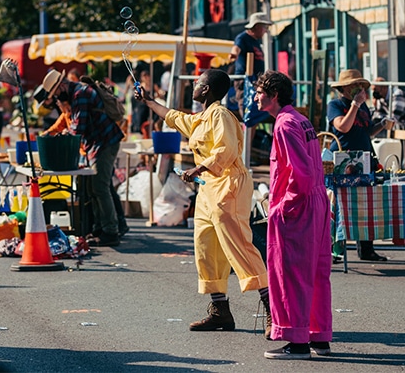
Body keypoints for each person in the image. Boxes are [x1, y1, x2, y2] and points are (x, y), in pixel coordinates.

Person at [134, 69, 271, 335]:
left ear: (206, 90)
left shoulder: (220, 114)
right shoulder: (202, 118)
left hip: (229, 185)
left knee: (239, 245)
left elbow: (226, 150)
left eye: (198, 83)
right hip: (209, 189)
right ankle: (220, 311)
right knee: (205, 247)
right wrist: (149, 102)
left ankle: (273, 309)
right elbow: (175, 118)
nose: (194, 85)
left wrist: (197, 169)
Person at [254, 71, 332, 360]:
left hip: (298, 205)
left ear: (273, 95)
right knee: (316, 272)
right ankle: (318, 338)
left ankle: (297, 342)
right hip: (315, 202)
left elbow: (300, 174)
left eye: (260, 91)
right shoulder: (299, 119)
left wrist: (282, 208)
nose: (256, 96)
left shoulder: (284, 124)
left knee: (290, 274)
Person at [39, 69, 124, 246]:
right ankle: (99, 228)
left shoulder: (80, 94)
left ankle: (111, 231)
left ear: (61, 86)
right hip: (95, 144)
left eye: (56, 94)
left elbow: (78, 127)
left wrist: (61, 135)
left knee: (100, 187)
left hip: (105, 142)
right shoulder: (76, 94)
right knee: (94, 189)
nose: (57, 99)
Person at [327, 69, 390, 262]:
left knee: (366, 204)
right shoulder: (336, 105)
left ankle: (366, 249)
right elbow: (342, 127)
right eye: (355, 85)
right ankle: (333, 249)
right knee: (338, 204)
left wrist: (382, 125)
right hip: (344, 160)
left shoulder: (363, 108)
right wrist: (355, 104)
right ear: (345, 88)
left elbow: (366, 131)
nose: (359, 89)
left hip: (364, 158)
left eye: (361, 85)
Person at [228, 12, 272, 118]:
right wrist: (234, 54)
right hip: (245, 81)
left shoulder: (255, 41)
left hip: (256, 81)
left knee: (255, 110)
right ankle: (246, 133)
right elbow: (237, 47)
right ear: (256, 26)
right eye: (264, 27)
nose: (265, 31)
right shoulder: (242, 38)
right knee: (246, 108)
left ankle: (251, 134)